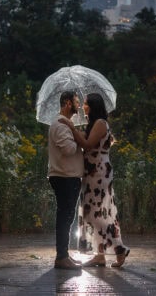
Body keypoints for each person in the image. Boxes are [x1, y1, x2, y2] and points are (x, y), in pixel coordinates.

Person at [62, 92, 130, 269]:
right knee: (93, 212)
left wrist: (71, 128)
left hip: (99, 173)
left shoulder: (100, 123)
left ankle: (119, 248)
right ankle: (100, 255)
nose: (83, 107)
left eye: (86, 104)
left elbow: (87, 145)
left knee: (95, 213)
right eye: (83, 103)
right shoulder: (94, 124)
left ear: (93, 106)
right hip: (91, 172)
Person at [47, 90, 84, 270]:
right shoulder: (60, 125)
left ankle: (64, 255)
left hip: (68, 176)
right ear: (68, 103)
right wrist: (79, 136)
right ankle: (61, 257)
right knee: (65, 217)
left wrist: (74, 130)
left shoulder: (66, 124)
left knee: (67, 217)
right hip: (64, 177)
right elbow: (69, 149)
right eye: (76, 101)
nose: (79, 105)